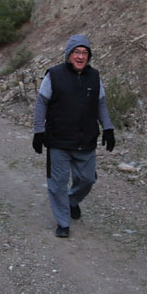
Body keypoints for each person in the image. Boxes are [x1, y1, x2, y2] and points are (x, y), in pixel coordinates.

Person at [32, 34, 116, 238]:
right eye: (76, 52)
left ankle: (72, 201)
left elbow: (100, 104)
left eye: (84, 53)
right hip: (58, 139)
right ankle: (63, 222)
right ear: (68, 54)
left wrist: (108, 128)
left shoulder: (94, 77)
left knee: (87, 179)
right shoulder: (54, 75)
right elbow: (41, 103)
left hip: (85, 139)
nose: (80, 57)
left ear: (89, 56)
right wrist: (38, 131)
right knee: (58, 183)